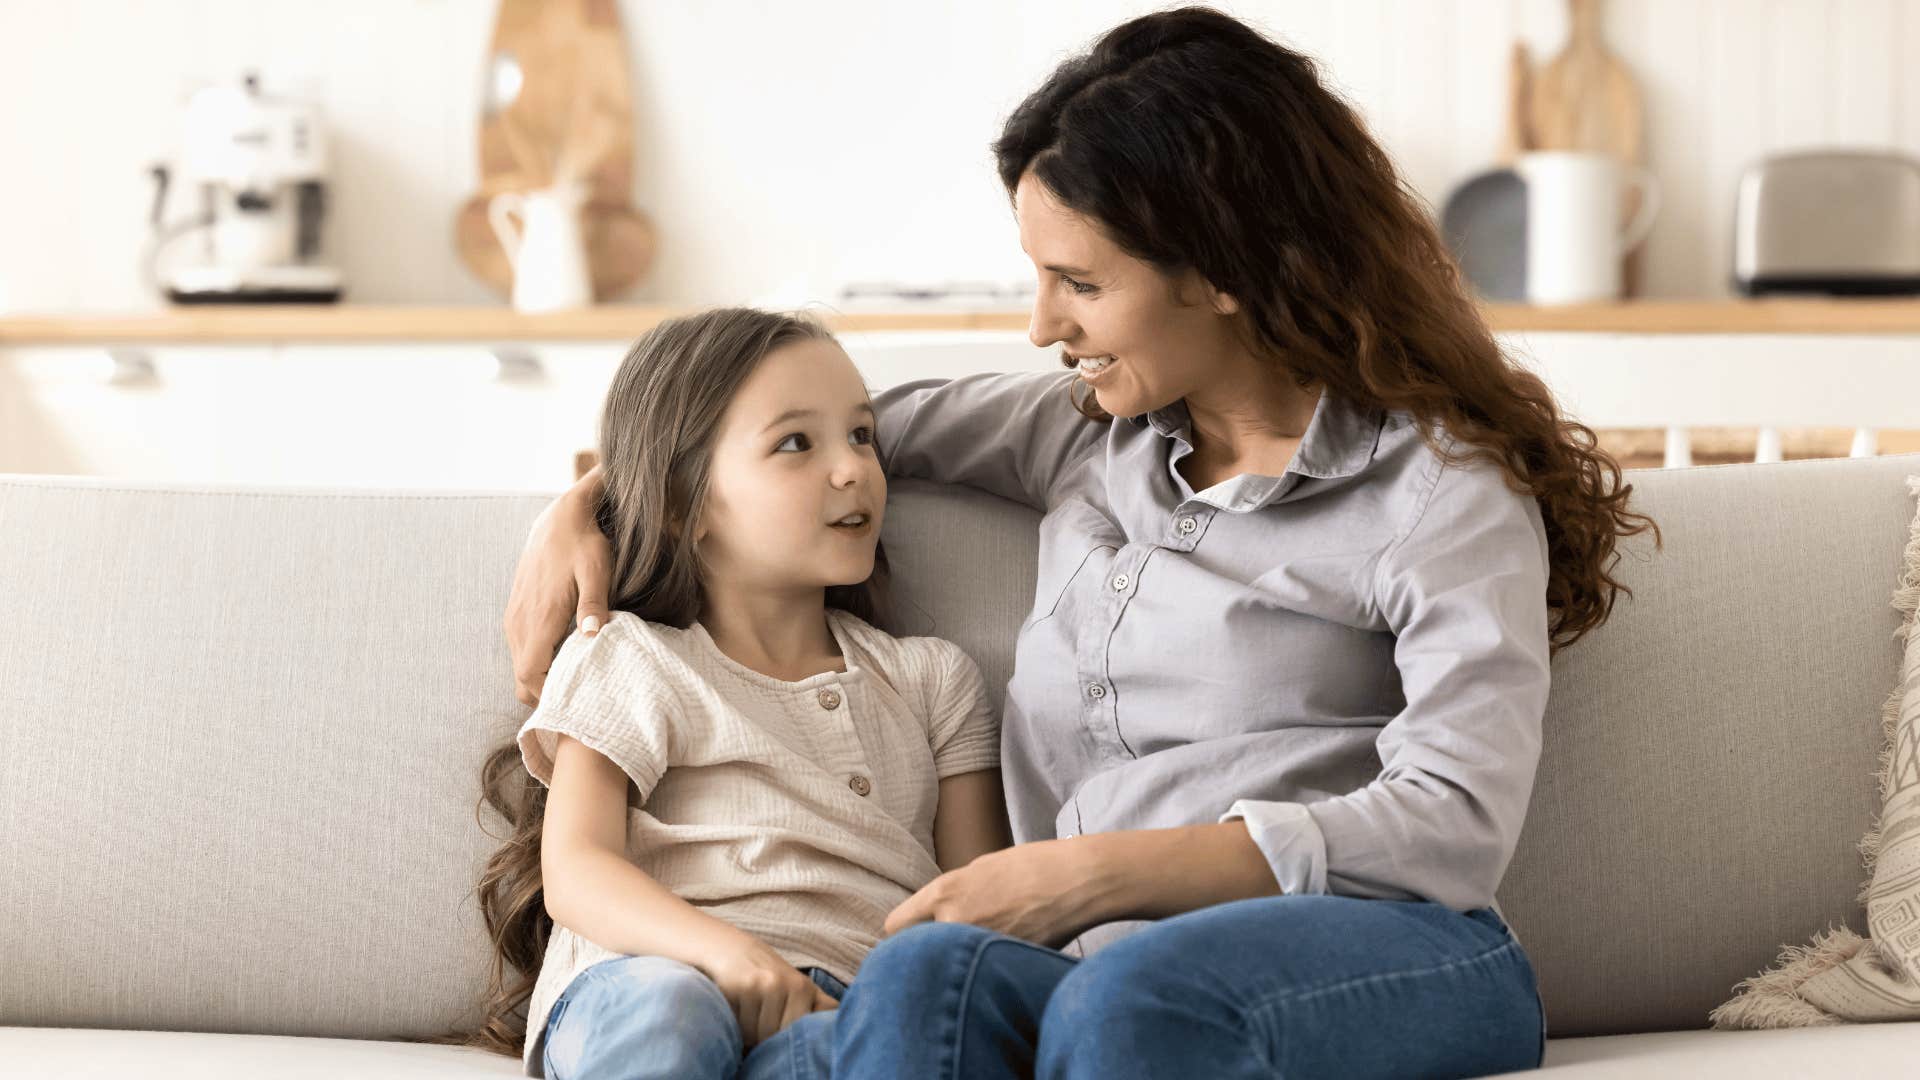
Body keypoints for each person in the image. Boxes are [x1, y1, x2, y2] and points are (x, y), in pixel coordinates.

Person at [503, 8, 1662, 1078]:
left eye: (1078, 282)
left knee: (1136, 998)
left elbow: (1454, 825)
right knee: (918, 975)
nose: (1041, 325)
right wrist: (602, 496)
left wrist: (1090, 875)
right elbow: (792, 441)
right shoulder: (1085, 433)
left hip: (1387, 947)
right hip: (1090, 962)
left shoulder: (1441, 489)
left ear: (1220, 269)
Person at [455, 307, 1014, 1079]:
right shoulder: (634, 656)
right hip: (648, 977)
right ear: (684, 504)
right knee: (673, 1011)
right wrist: (729, 955)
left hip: (837, 1013)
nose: (853, 469)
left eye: (861, 435)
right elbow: (578, 871)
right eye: (795, 443)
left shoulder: (931, 679)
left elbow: (980, 910)